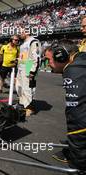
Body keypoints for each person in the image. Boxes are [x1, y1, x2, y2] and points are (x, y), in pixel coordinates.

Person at [45, 39, 86, 172]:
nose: (48, 64)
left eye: (49, 60)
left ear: (61, 56)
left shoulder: (73, 70)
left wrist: (77, 160)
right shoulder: (82, 60)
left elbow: (78, 120)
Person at [15, 29, 41, 117]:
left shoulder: (33, 41)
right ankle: (23, 104)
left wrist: (32, 71)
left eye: (21, 32)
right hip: (21, 66)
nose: (19, 34)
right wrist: (18, 61)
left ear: (27, 32)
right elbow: (24, 56)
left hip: (28, 65)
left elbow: (36, 57)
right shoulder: (23, 43)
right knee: (19, 86)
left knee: (27, 87)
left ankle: (30, 107)